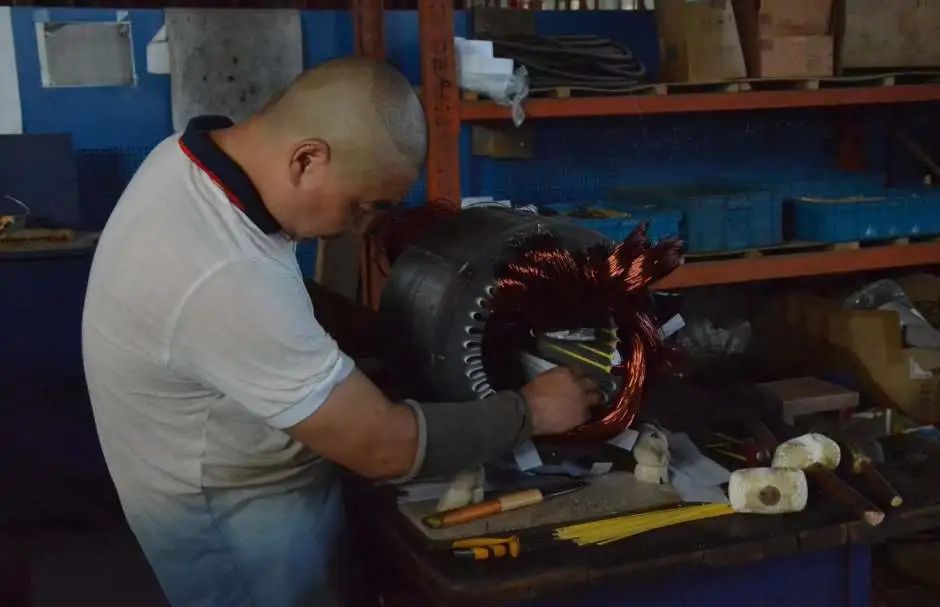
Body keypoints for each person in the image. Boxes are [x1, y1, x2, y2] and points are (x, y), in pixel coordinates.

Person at [82, 58, 598, 606]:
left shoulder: (187, 164)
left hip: (238, 472)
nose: (362, 228)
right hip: (240, 529)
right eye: (364, 207)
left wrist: (388, 335)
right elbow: (382, 447)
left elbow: (285, 299)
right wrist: (532, 411)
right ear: (307, 160)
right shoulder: (225, 278)